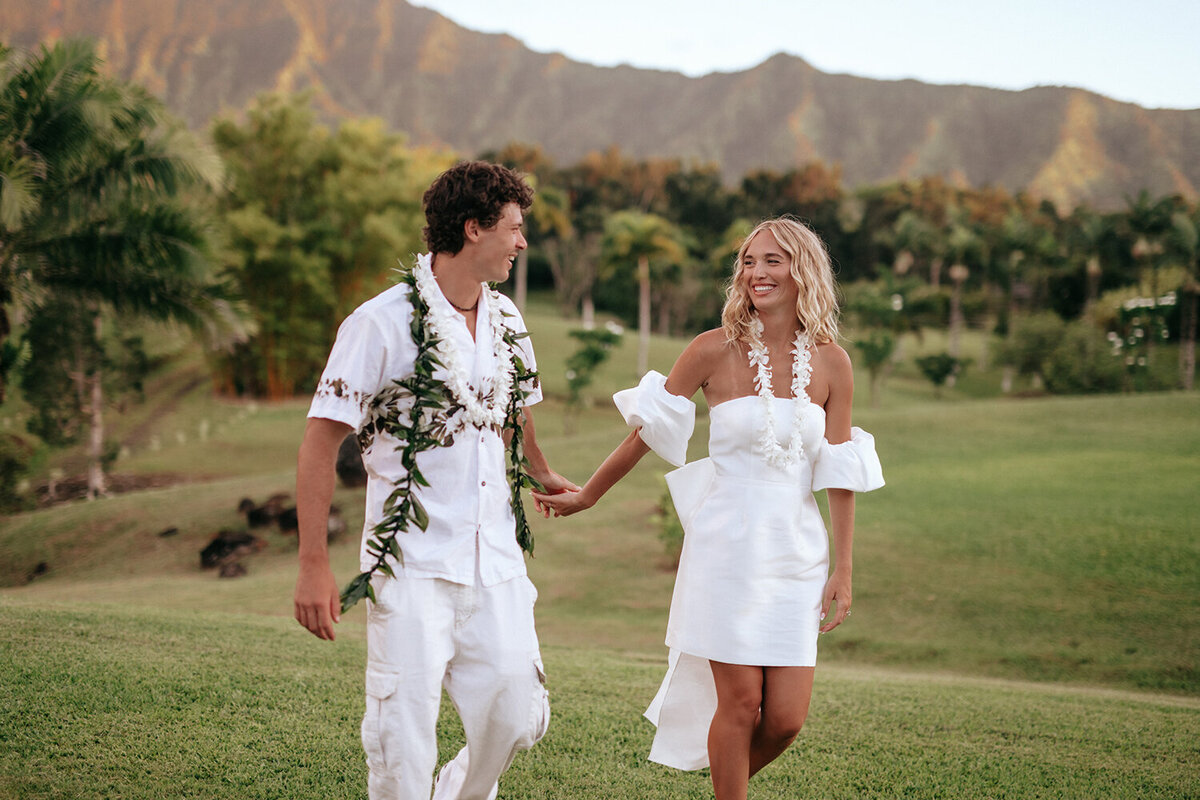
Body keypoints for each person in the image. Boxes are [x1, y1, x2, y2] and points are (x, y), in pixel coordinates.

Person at [533, 217, 884, 799]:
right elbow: (646, 434)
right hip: (724, 546)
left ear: (803, 270)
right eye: (748, 261)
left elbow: (840, 473)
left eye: (772, 260)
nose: (756, 273)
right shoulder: (711, 350)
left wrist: (843, 569)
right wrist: (587, 496)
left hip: (797, 552)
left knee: (787, 719)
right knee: (741, 703)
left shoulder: (832, 363)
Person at [293, 160, 577, 800]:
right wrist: (314, 563)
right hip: (411, 563)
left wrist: (542, 472)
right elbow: (319, 442)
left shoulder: (508, 322)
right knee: (403, 737)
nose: (522, 242)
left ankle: (458, 793)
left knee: (517, 713)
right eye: (514, 227)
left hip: (496, 560)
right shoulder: (380, 323)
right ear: (473, 228)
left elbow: (514, 412)